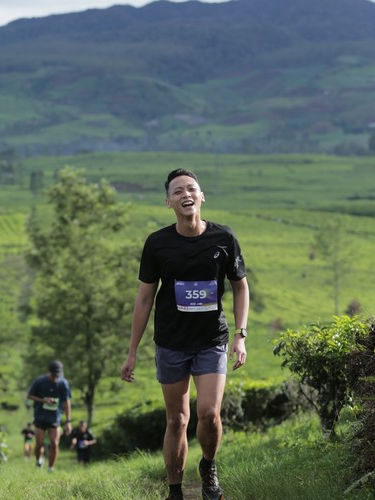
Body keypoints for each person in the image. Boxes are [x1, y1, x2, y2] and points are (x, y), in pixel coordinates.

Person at [121, 169, 249, 500]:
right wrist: (132, 351)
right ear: (168, 202)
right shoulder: (157, 243)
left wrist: (241, 334)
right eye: (177, 191)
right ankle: (175, 491)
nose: (185, 194)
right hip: (172, 343)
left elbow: (240, 287)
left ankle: (208, 465)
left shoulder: (224, 238)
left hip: (211, 341)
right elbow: (144, 298)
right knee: (177, 420)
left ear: (202, 196)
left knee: (208, 413)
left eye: (191, 189)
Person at [27, 360, 72, 472]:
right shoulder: (40, 381)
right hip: (40, 417)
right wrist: (43, 400)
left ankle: (50, 469)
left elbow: (67, 402)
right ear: (49, 372)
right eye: (53, 375)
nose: (55, 378)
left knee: (55, 443)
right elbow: (30, 395)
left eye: (57, 375)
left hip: (55, 418)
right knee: (39, 444)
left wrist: (68, 422)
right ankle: (39, 461)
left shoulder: (63, 383)